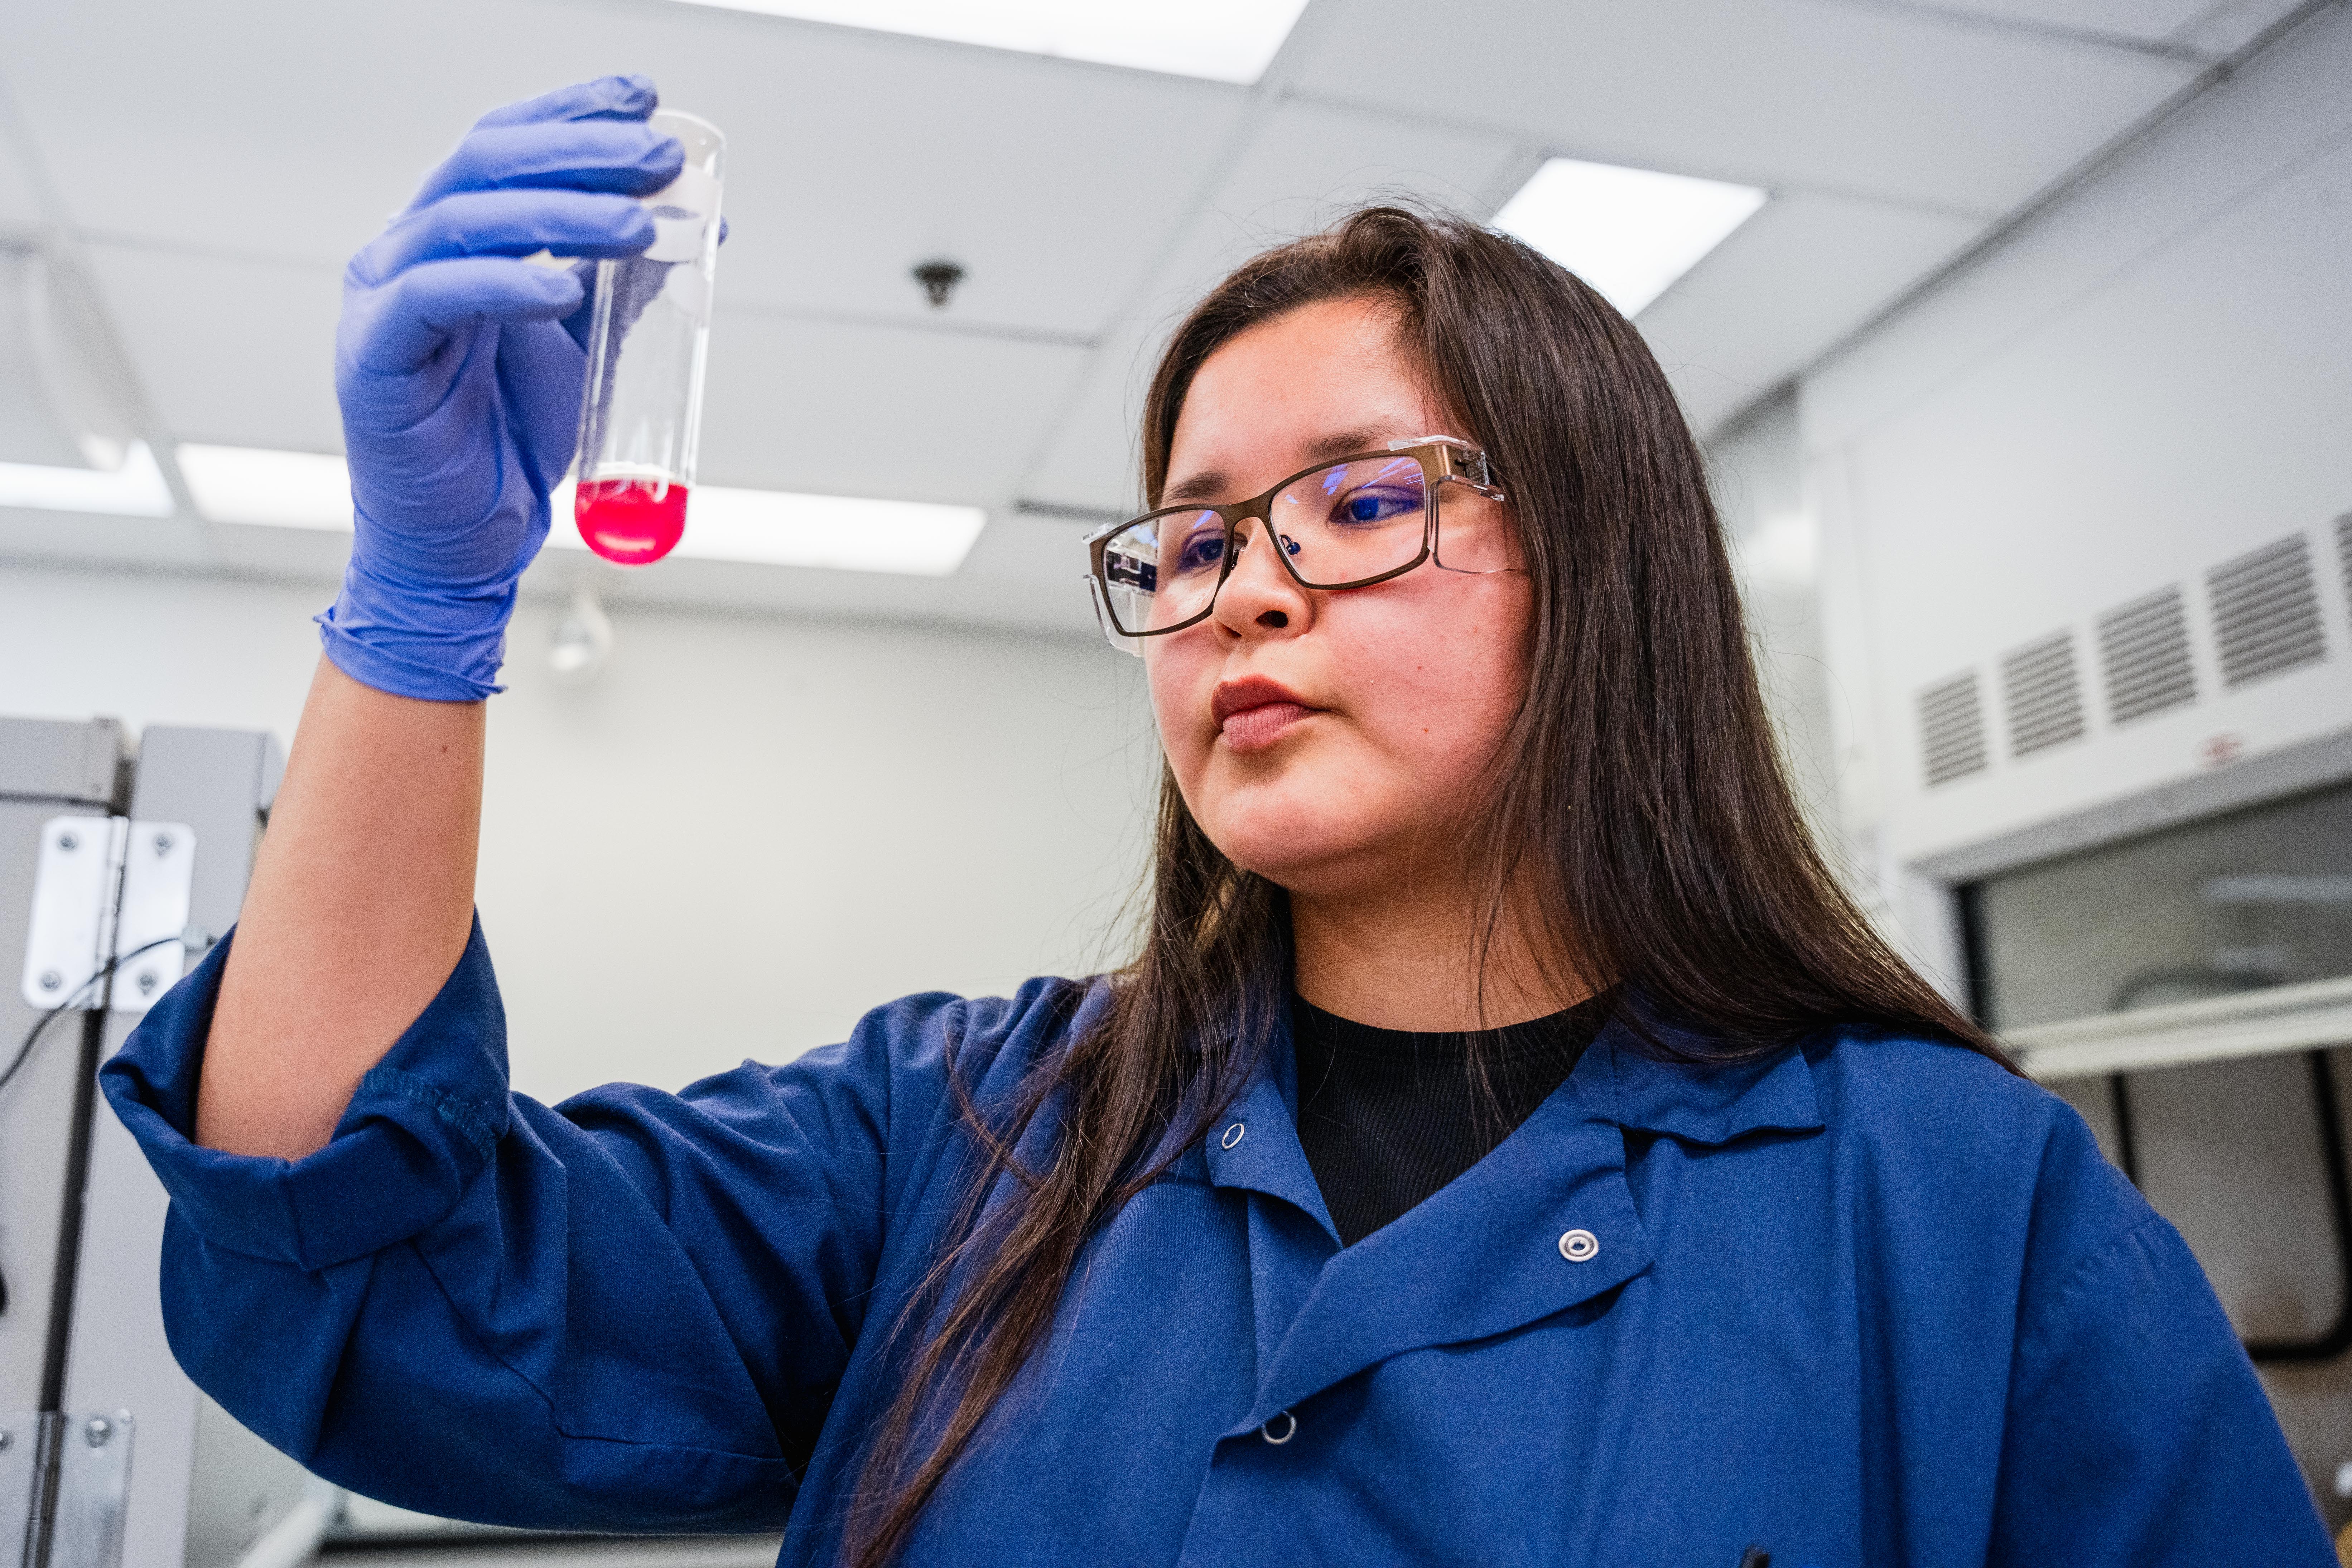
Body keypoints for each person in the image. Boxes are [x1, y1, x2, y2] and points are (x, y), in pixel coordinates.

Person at [103, 76, 2329, 1568]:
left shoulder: (1952, 1211)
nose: (1239, 590)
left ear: (1608, 566)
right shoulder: (964, 1141)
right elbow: (360, 1270)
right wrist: (422, 610)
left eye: (1357, 504)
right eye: (1186, 541)